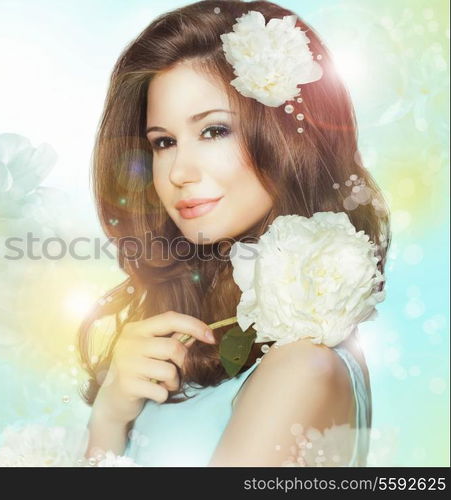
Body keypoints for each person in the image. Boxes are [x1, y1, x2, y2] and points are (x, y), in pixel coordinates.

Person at [77, 0, 390, 466]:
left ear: (288, 134)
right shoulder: (211, 351)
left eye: (213, 131)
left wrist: (108, 428)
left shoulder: (303, 368)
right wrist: (108, 418)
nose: (179, 171)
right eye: (163, 142)